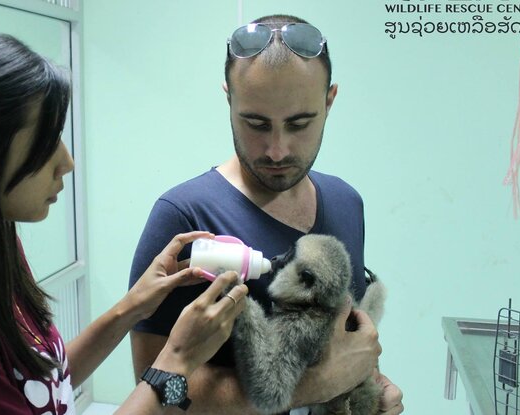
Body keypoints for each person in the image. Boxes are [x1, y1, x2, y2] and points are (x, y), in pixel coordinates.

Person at [0, 28, 249, 414]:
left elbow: (40, 385)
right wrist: (177, 362)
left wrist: (133, 308)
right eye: (45, 141)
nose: (66, 162)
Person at [129, 14, 405, 415]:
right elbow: (157, 396)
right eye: (256, 123)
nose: (277, 150)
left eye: (299, 123)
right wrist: (315, 384)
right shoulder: (183, 219)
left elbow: (345, 342)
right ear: (229, 99)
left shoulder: (347, 202)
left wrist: (373, 386)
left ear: (329, 101)